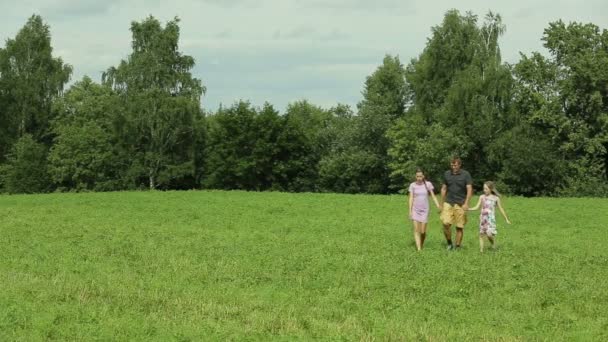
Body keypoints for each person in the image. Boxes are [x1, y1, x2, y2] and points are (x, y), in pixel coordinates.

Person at [440, 156, 473, 250]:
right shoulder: (446, 174)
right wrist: (441, 204)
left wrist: (466, 203)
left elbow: (469, 189)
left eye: (455, 164)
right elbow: (443, 188)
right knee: (445, 223)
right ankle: (449, 243)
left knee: (459, 226)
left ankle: (457, 246)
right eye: (451, 164)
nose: (453, 166)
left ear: (459, 165)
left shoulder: (466, 174)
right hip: (448, 202)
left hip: (461, 203)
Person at [468, 181, 511, 252]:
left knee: (489, 234)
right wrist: (469, 209)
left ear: (491, 189)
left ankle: (493, 244)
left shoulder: (496, 198)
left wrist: (506, 219)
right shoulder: (482, 197)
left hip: (490, 219)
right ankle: (481, 251)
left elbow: (501, 209)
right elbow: (477, 207)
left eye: (486, 189)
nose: (484, 190)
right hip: (483, 218)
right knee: (481, 234)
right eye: (484, 189)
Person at [408, 168, 441, 251]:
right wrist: (410, 210)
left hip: (425, 210)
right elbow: (411, 197)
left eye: (420, 176)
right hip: (415, 209)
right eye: (417, 176)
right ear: (415, 176)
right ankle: (419, 249)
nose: (419, 178)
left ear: (423, 176)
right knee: (416, 230)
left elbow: (433, 196)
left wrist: (438, 206)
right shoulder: (412, 185)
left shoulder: (428, 184)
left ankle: (421, 243)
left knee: (422, 231)